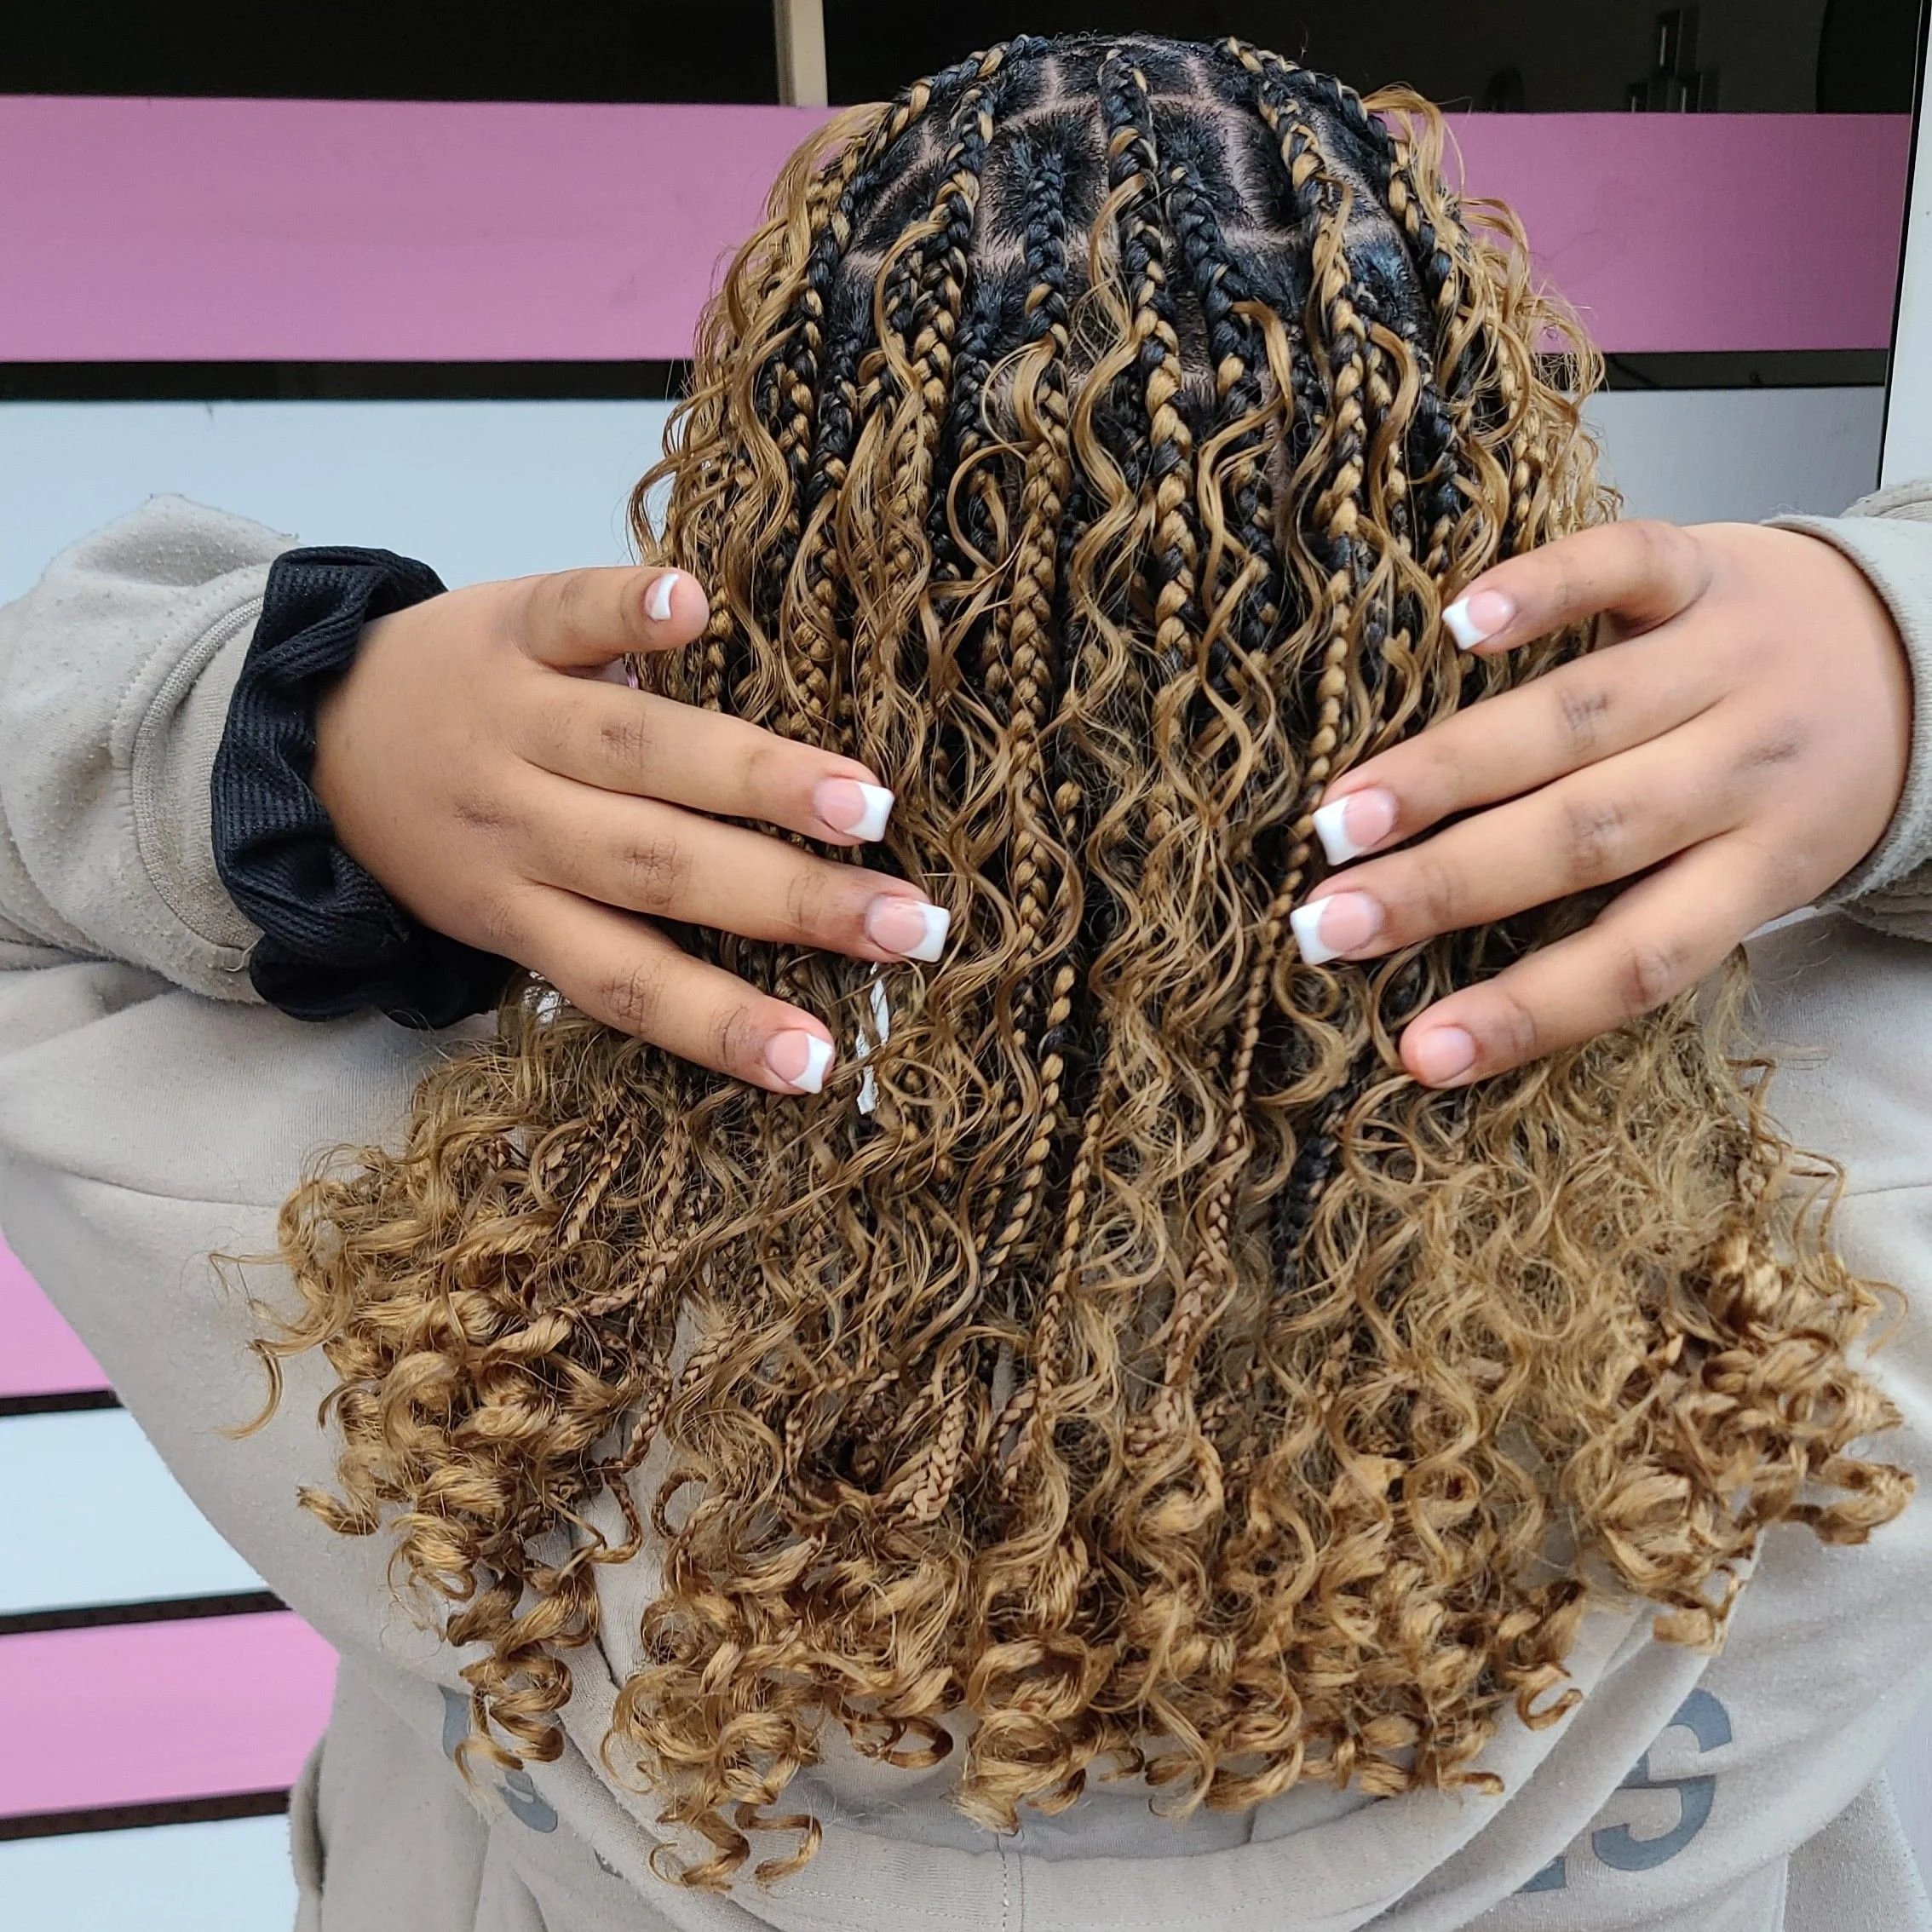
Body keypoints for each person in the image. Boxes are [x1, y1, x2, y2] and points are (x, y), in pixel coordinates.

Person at [4, 33, 1932, 1932]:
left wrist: (297, 742)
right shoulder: (1846, 1259)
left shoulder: (375, 1274)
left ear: (771, 613)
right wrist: (1892, 665)